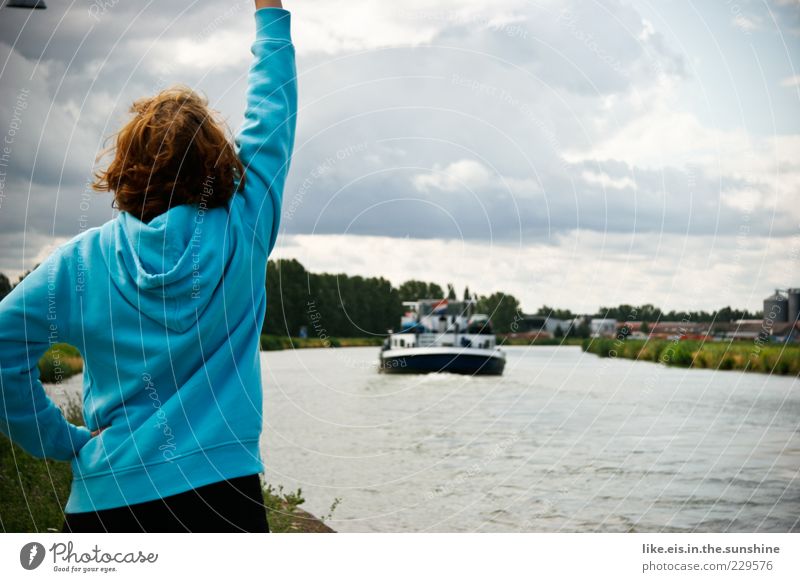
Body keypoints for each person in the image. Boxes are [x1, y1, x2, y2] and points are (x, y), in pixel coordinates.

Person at [0, 0, 296, 533]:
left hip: (107, 503)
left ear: (125, 171)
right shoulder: (244, 225)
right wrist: (269, 10)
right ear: (218, 165)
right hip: (223, 497)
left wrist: (58, 440)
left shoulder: (80, 264)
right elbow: (271, 114)